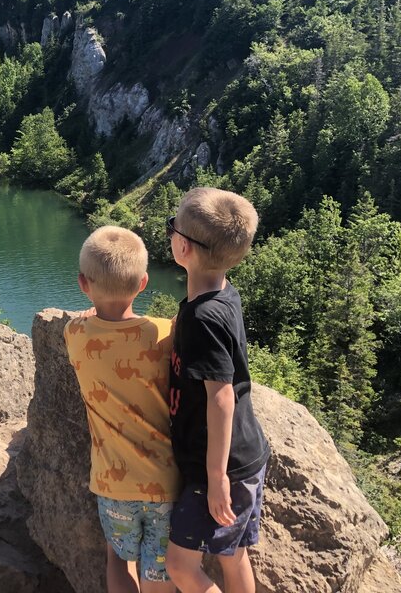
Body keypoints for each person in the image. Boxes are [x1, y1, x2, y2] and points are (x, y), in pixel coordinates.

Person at [163, 188, 270, 593]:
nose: (170, 233)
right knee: (232, 552)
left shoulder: (202, 318)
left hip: (217, 468)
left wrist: (215, 477)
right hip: (245, 456)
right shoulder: (222, 293)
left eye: (171, 227)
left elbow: (221, 397)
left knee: (179, 566)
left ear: (183, 247)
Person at [65, 225, 182, 593]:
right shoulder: (166, 333)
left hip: (112, 483)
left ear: (84, 284)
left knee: (117, 557)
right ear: (144, 282)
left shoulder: (75, 334)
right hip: (166, 481)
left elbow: (87, 326)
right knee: (159, 571)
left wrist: (92, 315)